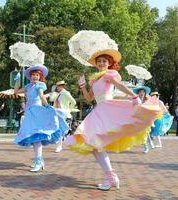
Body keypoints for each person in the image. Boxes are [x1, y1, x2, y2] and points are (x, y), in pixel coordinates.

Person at [65, 49, 160, 190]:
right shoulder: (95, 79)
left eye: (105, 61)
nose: (101, 63)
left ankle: (111, 177)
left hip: (108, 109)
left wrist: (134, 96)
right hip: (98, 111)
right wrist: (83, 86)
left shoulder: (109, 75)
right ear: (96, 64)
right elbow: (89, 98)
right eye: (99, 61)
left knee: (96, 145)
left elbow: (120, 85)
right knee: (93, 145)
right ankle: (111, 176)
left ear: (109, 63)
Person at [14, 65, 68, 172]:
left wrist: (47, 105)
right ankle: (39, 160)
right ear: (30, 76)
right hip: (29, 113)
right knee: (34, 139)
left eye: (37, 75)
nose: (35, 77)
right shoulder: (28, 86)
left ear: (40, 76)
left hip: (37, 111)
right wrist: (17, 80)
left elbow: (42, 96)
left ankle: (39, 161)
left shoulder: (40, 85)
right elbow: (16, 92)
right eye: (33, 75)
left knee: (37, 137)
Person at [50, 80, 76, 153]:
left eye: (58, 86)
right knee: (59, 129)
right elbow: (51, 99)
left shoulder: (65, 93)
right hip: (57, 113)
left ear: (62, 86)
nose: (57, 87)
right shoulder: (59, 94)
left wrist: (69, 110)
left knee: (61, 130)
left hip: (63, 114)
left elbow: (73, 101)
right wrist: (52, 91)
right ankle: (61, 144)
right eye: (57, 86)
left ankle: (59, 146)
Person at [133, 86, 154, 153]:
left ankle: (147, 146)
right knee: (142, 133)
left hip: (146, 118)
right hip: (139, 118)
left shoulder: (147, 100)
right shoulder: (136, 100)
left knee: (146, 132)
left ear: (145, 93)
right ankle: (147, 145)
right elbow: (134, 108)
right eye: (140, 92)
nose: (142, 93)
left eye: (143, 92)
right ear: (138, 93)